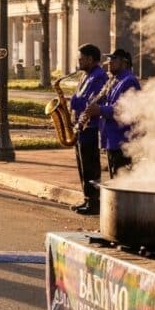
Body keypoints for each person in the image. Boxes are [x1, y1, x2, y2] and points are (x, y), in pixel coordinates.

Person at [67, 44, 109, 215]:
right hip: (81, 125)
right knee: (82, 165)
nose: (78, 62)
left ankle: (94, 202)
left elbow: (93, 101)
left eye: (81, 59)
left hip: (90, 126)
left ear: (90, 59)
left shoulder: (98, 76)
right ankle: (87, 198)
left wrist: (78, 104)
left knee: (90, 165)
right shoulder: (86, 76)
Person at [86, 49, 139, 179]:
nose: (109, 62)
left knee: (122, 182)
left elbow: (124, 109)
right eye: (109, 59)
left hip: (122, 141)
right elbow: (107, 103)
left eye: (114, 59)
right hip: (111, 139)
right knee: (115, 180)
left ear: (125, 63)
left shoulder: (129, 80)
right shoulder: (114, 81)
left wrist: (100, 110)